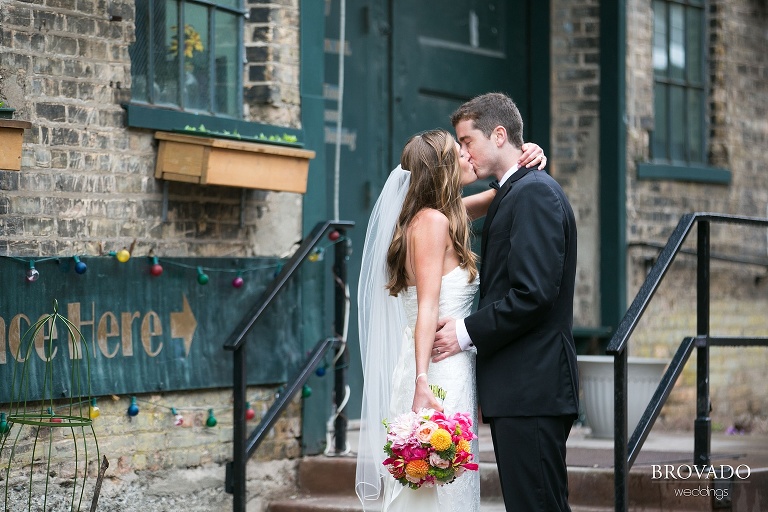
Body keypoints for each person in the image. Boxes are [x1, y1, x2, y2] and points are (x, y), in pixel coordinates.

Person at [355, 128, 547, 512]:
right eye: (458, 152)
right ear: (443, 170)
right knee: (438, 490)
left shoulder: (439, 216)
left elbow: (501, 193)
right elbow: (428, 305)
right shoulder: (433, 223)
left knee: (445, 483)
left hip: (448, 363)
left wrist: (528, 157)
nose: (467, 155)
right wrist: (423, 382)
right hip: (437, 368)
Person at [431, 92, 579, 512]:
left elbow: (532, 295)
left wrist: (463, 333)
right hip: (523, 388)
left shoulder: (532, 193)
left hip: (532, 387)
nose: (463, 152)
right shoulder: (517, 190)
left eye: (466, 141)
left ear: (499, 135)